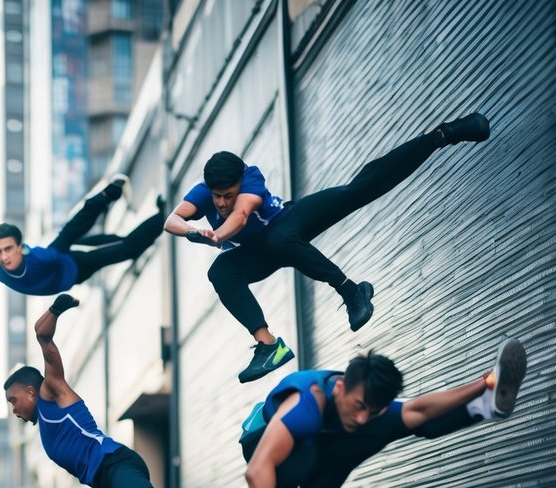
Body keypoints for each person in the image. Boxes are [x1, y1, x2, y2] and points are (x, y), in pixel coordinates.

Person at [163, 112, 492, 383]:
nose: (220, 203)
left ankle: (443, 135)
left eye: (226, 195)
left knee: (357, 190)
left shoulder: (250, 178)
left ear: (238, 183)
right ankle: (268, 347)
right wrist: (191, 230)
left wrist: (218, 236)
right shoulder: (205, 192)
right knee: (220, 270)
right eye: (216, 196)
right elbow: (172, 219)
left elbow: (242, 213)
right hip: (259, 252)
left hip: (289, 221)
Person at [4, 294, 255, 488]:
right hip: (105, 485)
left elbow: (44, 339)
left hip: (117, 464)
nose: (14, 410)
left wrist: (55, 309)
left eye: (13, 401)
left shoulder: (52, 394)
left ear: (30, 392)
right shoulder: (43, 421)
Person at [242, 339, 528, 488]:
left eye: (372, 409)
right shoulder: (308, 402)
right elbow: (257, 470)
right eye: (359, 405)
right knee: (317, 447)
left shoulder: (363, 411)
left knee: (400, 421)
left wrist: (483, 384)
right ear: (340, 387)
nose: (362, 417)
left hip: (324, 452)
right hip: (274, 458)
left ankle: (483, 407)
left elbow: (419, 410)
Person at [0, 177, 166, 295]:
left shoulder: (39, 257)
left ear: (20, 247)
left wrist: (101, 200)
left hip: (68, 262)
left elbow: (69, 233)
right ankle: (158, 217)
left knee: (113, 244)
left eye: (8, 249)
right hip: (72, 272)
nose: (4, 257)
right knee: (116, 245)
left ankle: (119, 198)